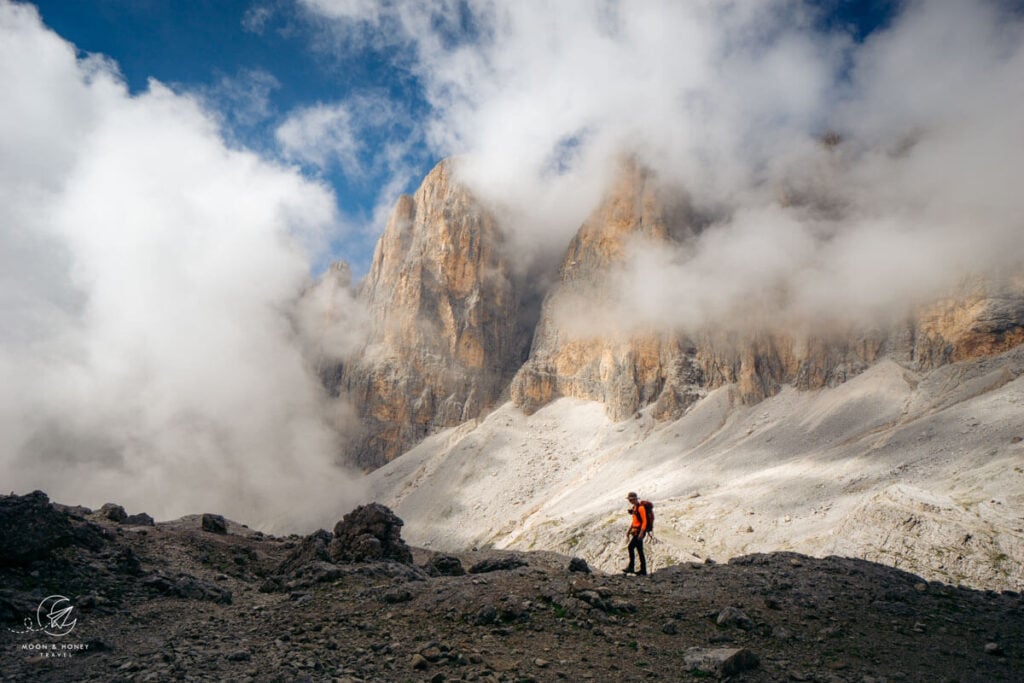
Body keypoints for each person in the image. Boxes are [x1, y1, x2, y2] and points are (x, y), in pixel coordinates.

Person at [622, 491, 648, 575]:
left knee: (630, 547)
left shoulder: (640, 508)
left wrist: (641, 533)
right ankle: (643, 570)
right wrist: (629, 531)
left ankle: (631, 567)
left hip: (639, 532)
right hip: (636, 531)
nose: (629, 501)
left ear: (634, 499)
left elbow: (645, 521)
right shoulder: (634, 508)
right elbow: (634, 521)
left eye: (630, 499)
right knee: (640, 550)